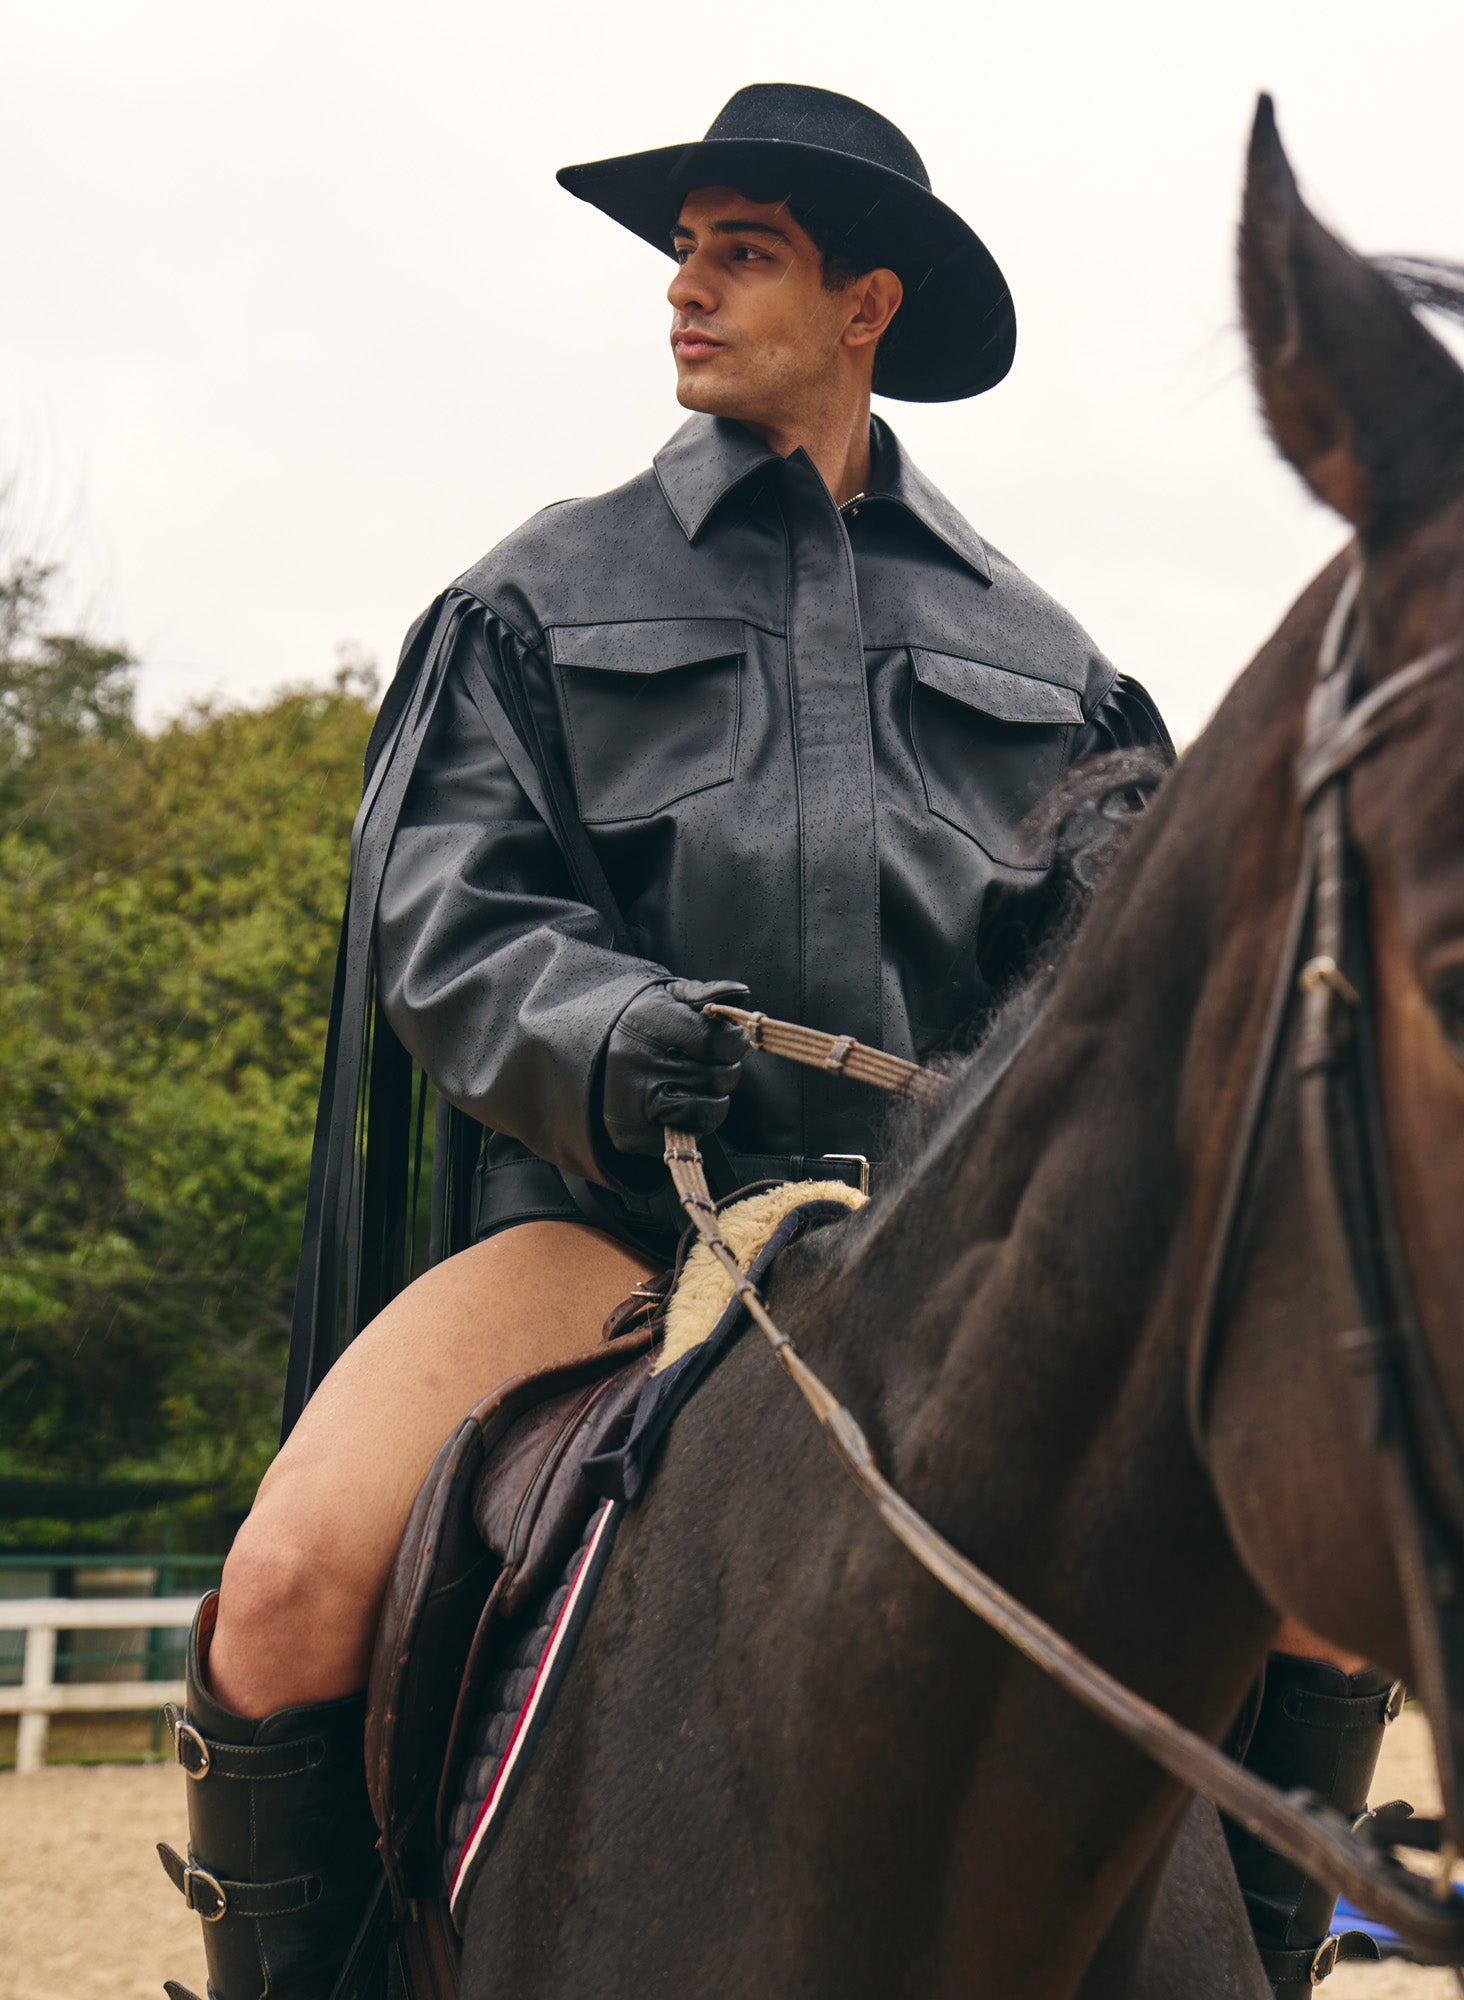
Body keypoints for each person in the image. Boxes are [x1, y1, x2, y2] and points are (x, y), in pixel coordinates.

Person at [156, 82, 1168, 2000]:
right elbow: (441, 914)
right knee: (283, 1596)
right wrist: (608, 1034)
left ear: (867, 306)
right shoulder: (534, 597)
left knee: (1278, 1595)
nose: (684, 292)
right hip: (610, 1241)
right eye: (681, 253)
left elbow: (1108, 1002)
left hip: (957, 1271)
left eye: (742, 254)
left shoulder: (1057, 669)